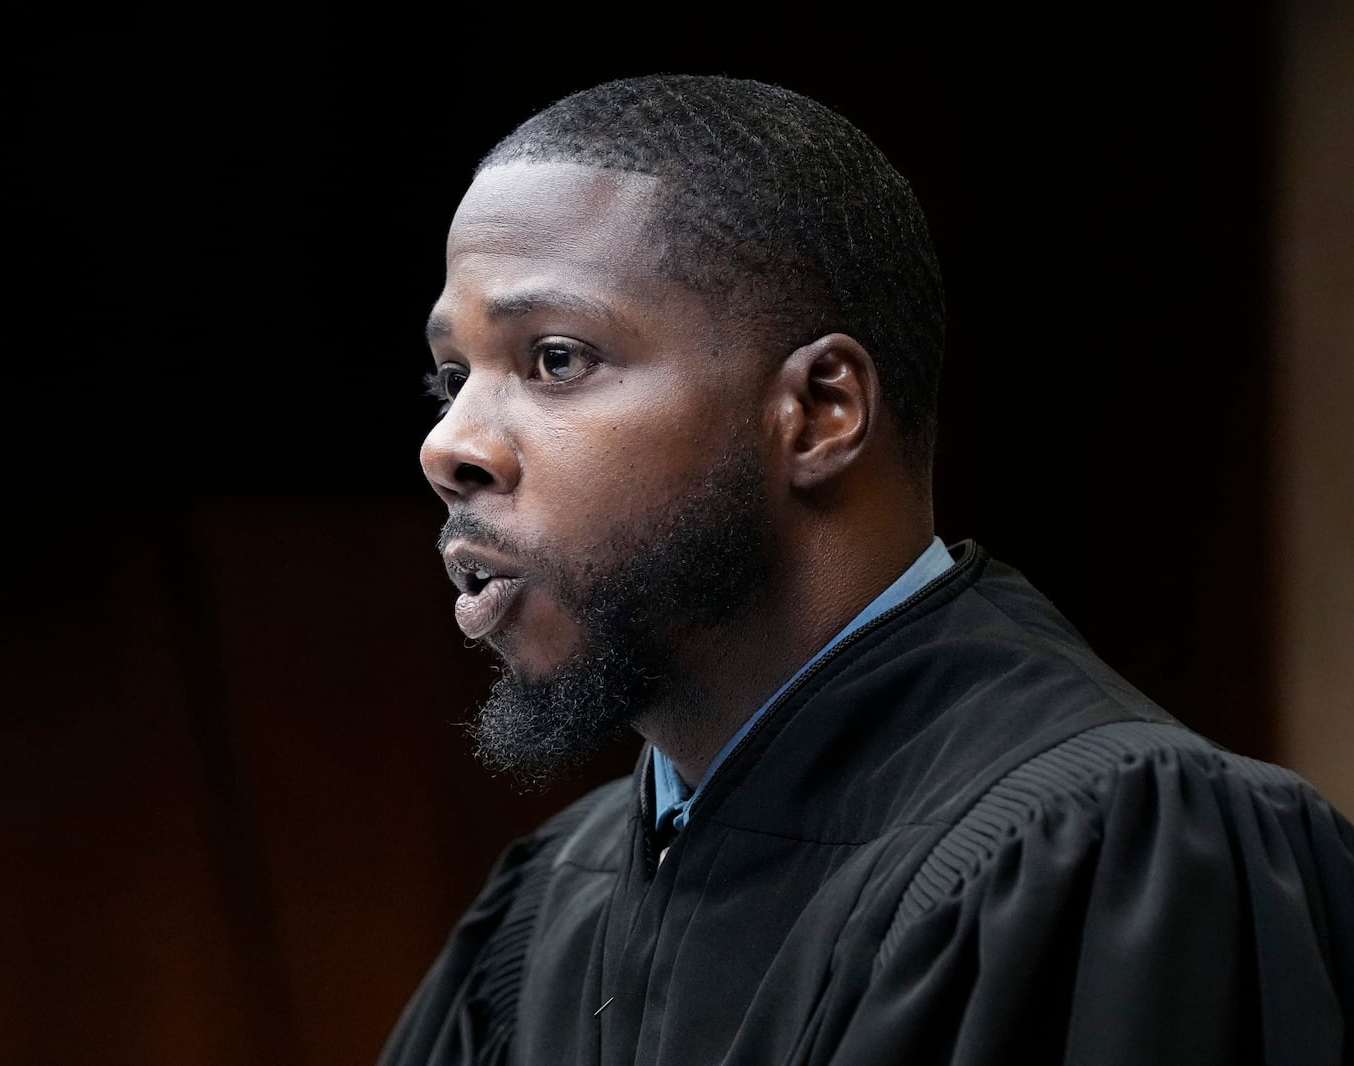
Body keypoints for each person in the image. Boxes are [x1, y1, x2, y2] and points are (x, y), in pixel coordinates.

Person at [379, 73, 1354, 1066]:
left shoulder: (1120, 857)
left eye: (554, 359)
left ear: (820, 411)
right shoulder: (548, 910)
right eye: (451, 377)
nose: (448, 443)